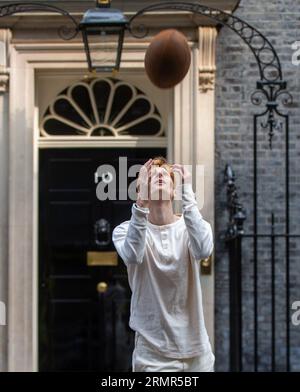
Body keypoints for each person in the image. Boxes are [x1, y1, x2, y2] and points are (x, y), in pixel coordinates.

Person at [112, 156, 215, 372]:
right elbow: (132, 255)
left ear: (174, 190)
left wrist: (188, 192)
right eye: (151, 176)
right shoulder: (124, 230)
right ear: (143, 188)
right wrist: (139, 203)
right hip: (153, 354)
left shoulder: (192, 229)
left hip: (197, 352)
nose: (159, 177)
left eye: (165, 176)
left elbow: (204, 249)